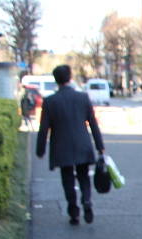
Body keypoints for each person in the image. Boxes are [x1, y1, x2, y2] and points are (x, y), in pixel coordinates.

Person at [36, 65, 104, 225]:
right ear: (69, 77)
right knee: (84, 176)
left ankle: (73, 211)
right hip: (83, 143)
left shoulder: (50, 101)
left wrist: (40, 149)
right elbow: (93, 124)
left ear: (56, 80)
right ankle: (86, 200)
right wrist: (100, 146)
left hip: (61, 146)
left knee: (67, 179)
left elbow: (44, 128)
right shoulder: (82, 97)